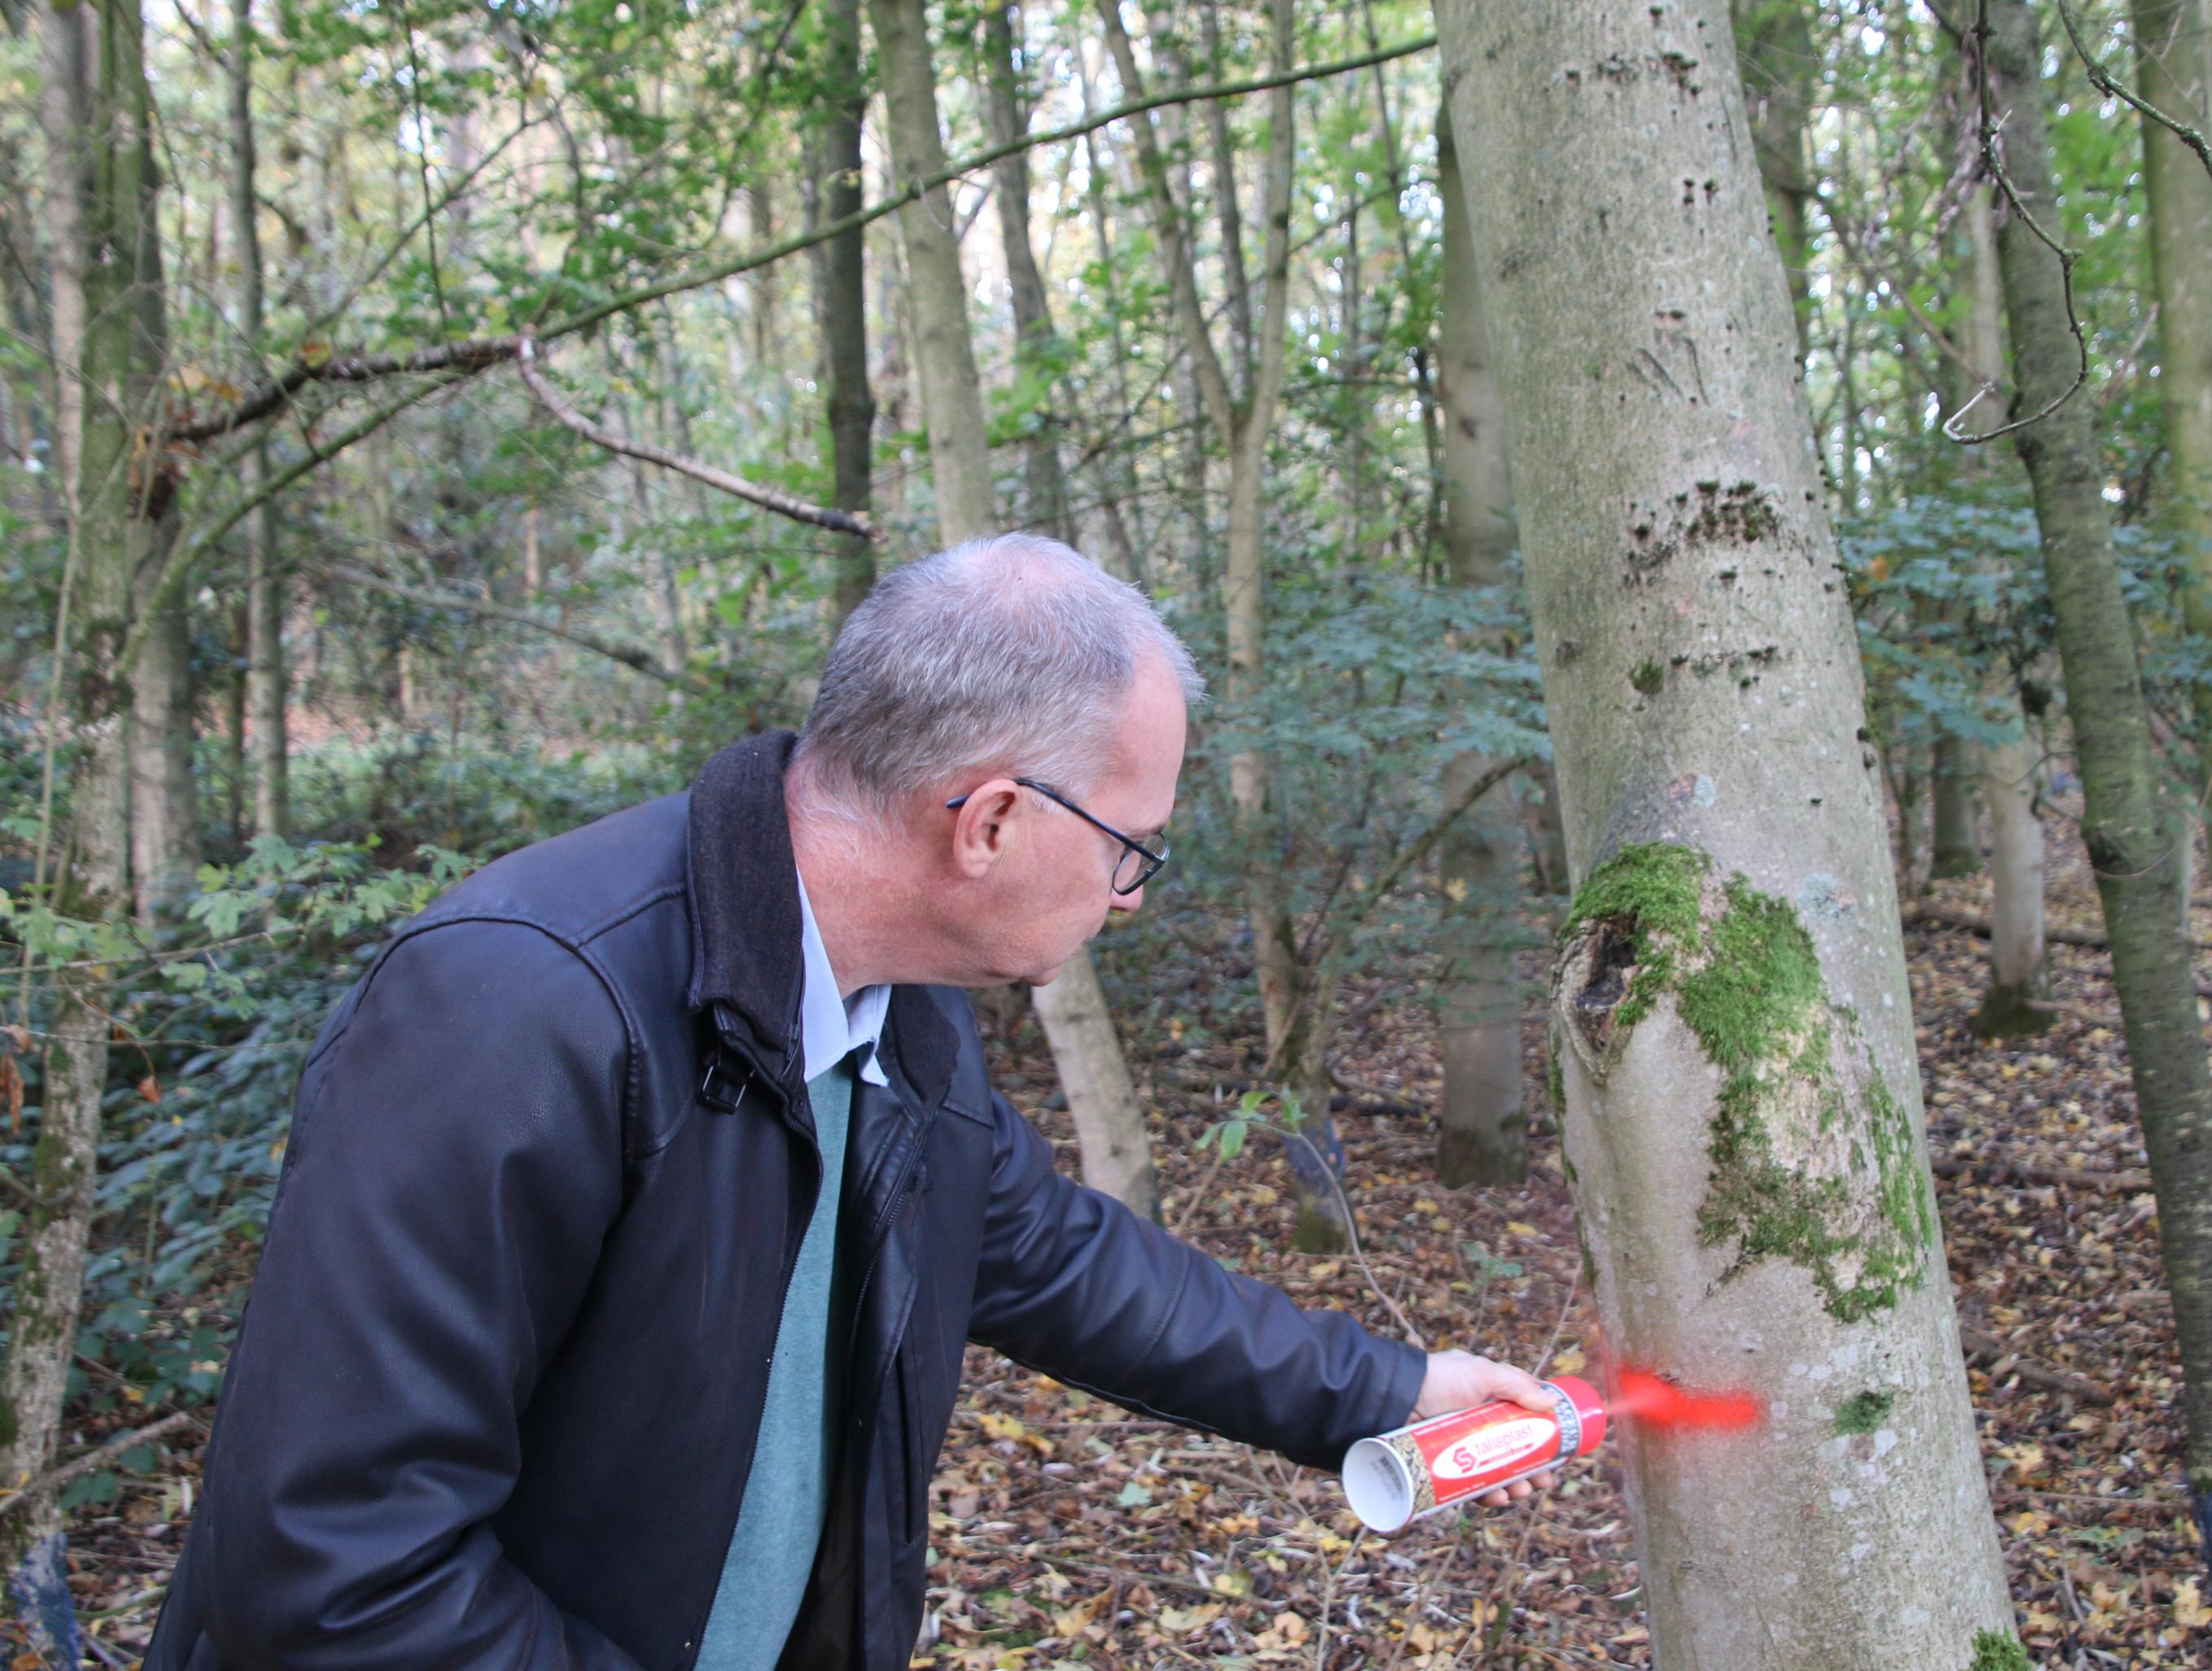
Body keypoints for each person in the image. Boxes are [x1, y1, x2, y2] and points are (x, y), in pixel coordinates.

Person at [146, 533, 1552, 1671]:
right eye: (1135, 850)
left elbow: (1054, 1257)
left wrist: (1393, 1390)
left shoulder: (901, 1020)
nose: (1132, 896)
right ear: (991, 821)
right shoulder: (522, 1009)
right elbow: (338, 1569)